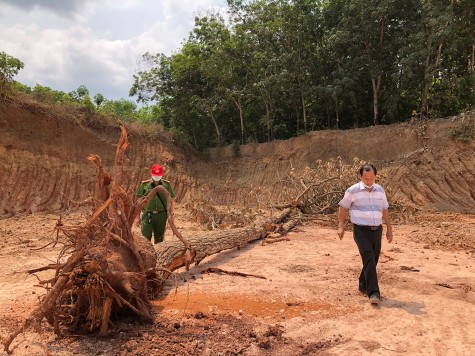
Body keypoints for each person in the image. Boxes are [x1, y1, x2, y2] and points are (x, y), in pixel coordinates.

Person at [337, 163, 393, 305]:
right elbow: (343, 207)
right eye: (366, 178)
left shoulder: (380, 190)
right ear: (360, 176)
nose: (369, 181)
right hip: (360, 230)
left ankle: (363, 283)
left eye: (371, 178)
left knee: (373, 259)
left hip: (377, 230)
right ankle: (373, 293)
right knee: (368, 256)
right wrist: (340, 226)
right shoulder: (353, 190)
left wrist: (389, 229)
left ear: (375, 176)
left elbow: (385, 209)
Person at [136, 163, 175, 244]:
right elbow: (139, 201)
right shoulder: (144, 185)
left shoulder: (166, 185)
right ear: (151, 173)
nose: (156, 178)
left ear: (162, 174)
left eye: (158, 175)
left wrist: (171, 215)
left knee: (159, 240)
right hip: (147, 215)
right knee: (145, 240)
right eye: (155, 175)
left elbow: (170, 201)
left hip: (161, 215)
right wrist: (137, 217)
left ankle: (158, 256)